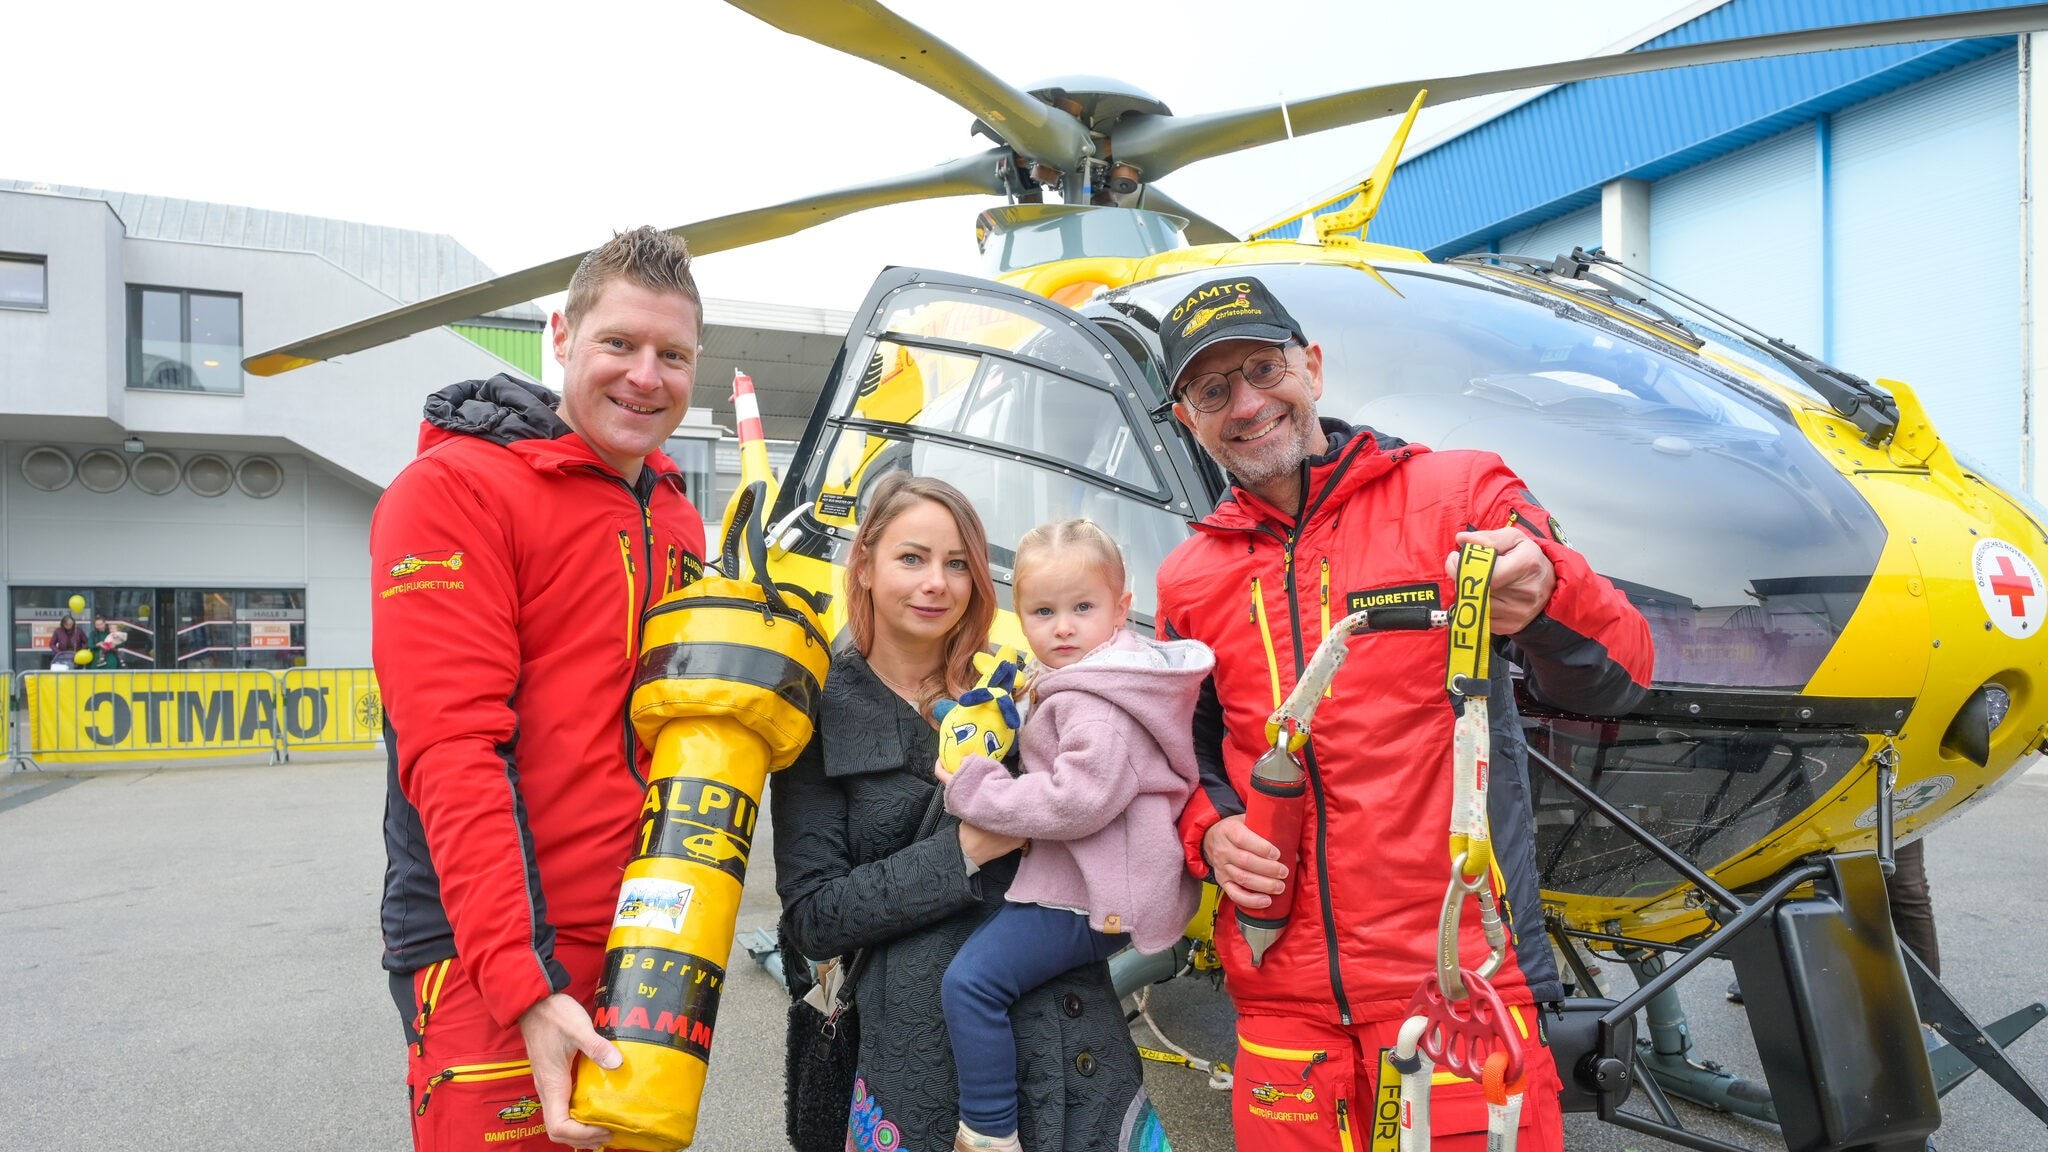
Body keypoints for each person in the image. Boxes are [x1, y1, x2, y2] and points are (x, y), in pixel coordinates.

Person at [1148, 276, 1654, 1151]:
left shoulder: (1460, 495)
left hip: (1459, 986)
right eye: (1212, 389)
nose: (1246, 402)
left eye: (1264, 368)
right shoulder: (1189, 578)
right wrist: (1208, 833)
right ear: (1189, 418)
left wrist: (1545, 586)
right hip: (1281, 1008)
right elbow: (1175, 758)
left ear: (1311, 366)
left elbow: (1623, 672)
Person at [371, 227, 709, 1151]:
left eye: (672, 355)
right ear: (561, 335)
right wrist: (525, 982)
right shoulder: (451, 492)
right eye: (620, 344)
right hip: (489, 958)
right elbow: (452, 751)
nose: (646, 376)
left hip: (644, 949)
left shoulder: (676, 515)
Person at [771, 475, 1163, 1152]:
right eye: (912, 558)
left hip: (1073, 1040)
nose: (937, 584)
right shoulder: (819, 713)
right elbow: (813, 919)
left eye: (957, 564)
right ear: (863, 563)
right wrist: (967, 849)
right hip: (921, 1066)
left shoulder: (1020, 684)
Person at [936, 519, 1211, 1152]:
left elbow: (1077, 800)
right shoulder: (1100, 673)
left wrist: (975, 789)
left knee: (972, 983)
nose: (1062, 627)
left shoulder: (1099, 701)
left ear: (1121, 608)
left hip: (1092, 890)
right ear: (1020, 614)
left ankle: (988, 1131)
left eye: (1082, 608)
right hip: (1100, 873)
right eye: (1043, 610)